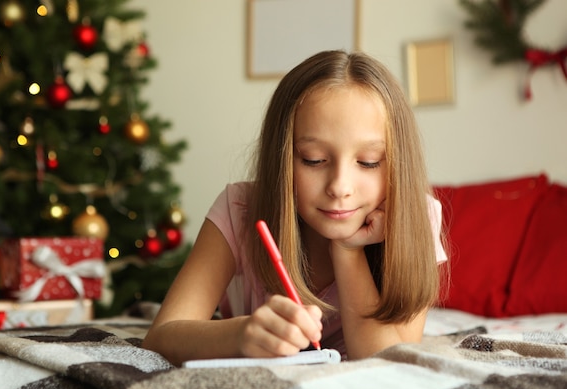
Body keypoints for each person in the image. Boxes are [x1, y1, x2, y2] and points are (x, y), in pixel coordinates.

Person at [143, 50, 447, 366]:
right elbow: (162, 336)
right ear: (282, 159)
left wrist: (347, 250)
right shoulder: (239, 210)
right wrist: (241, 335)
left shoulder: (417, 218)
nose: (340, 187)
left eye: (368, 162)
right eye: (313, 159)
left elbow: (387, 362)